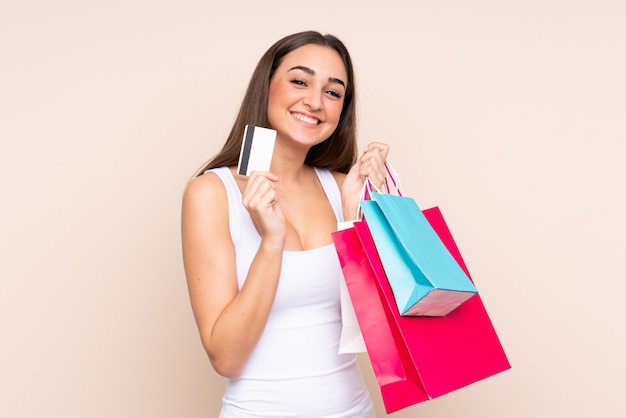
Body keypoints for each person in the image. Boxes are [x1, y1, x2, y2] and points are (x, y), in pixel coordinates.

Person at [181, 30, 389, 417]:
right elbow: (225, 358)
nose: (314, 101)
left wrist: (357, 220)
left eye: (333, 92)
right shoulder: (212, 193)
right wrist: (271, 243)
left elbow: (380, 335)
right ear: (266, 87)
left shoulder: (343, 188)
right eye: (299, 81)